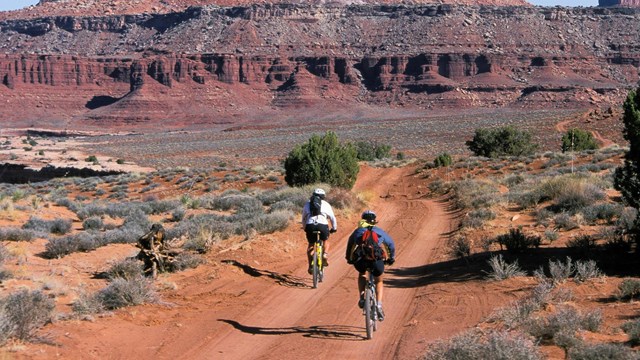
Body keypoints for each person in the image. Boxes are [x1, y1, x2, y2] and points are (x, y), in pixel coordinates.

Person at [345, 210, 396, 321]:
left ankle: (362, 297)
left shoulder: (358, 231)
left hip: (361, 260)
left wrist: (349, 258)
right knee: (379, 280)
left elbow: (350, 245)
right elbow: (390, 244)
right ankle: (378, 305)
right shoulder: (379, 232)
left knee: (362, 274)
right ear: (374, 221)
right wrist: (391, 258)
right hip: (376, 261)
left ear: (363, 219)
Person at [301, 188, 338, 274]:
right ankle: (324, 254)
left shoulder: (307, 204)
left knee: (311, 245)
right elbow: (332, 218)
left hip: (310, 225)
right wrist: (334, 228)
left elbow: (303, 218)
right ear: (323, 196)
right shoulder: (326, 204)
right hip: (322, 225)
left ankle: (310, 266)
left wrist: (305, 227)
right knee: (325, 241)